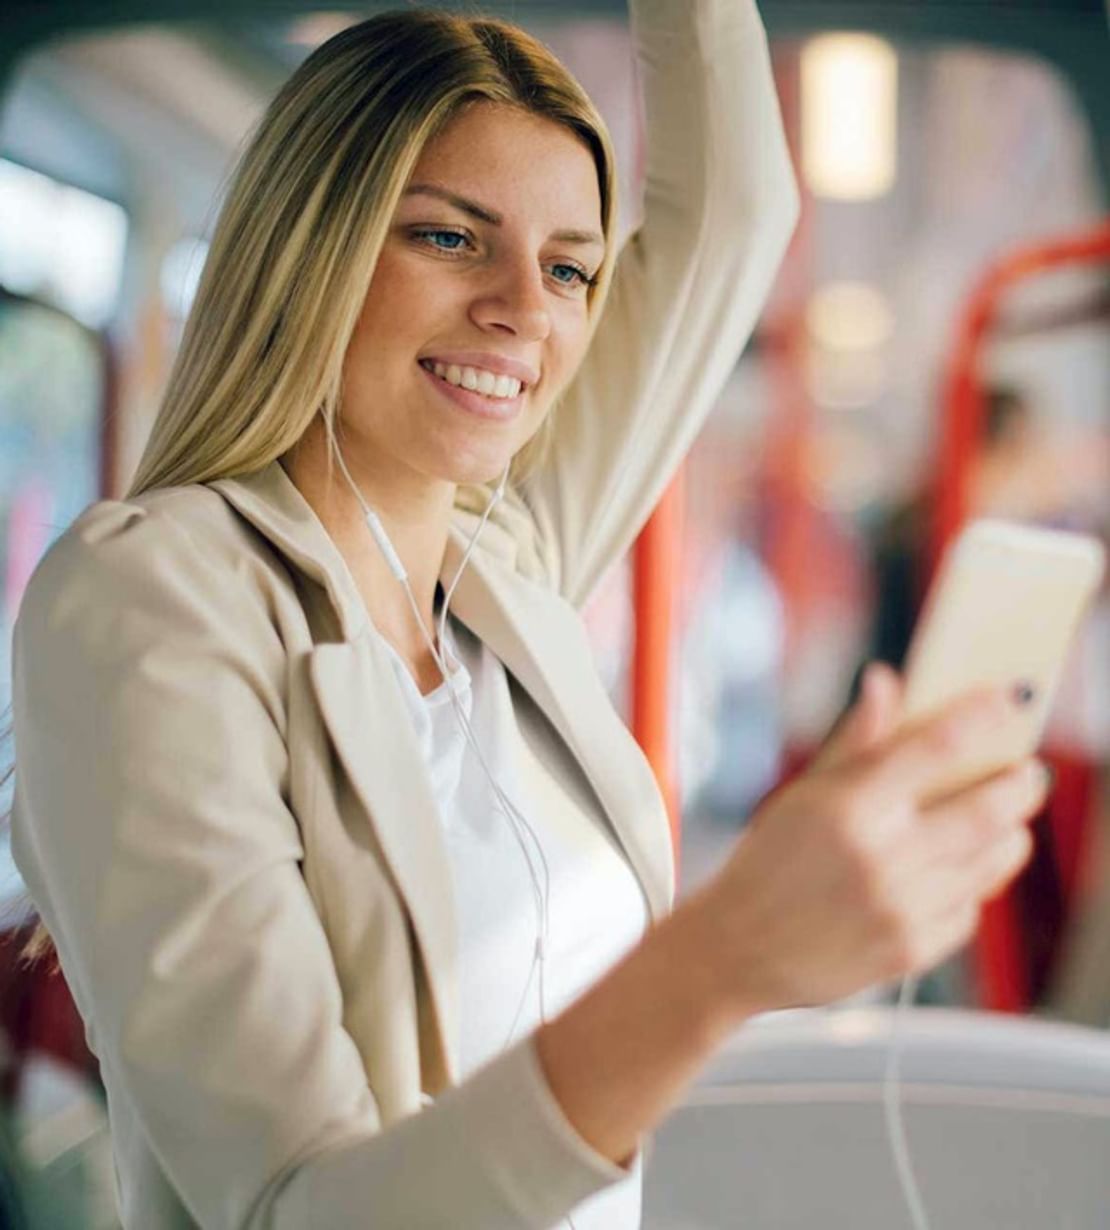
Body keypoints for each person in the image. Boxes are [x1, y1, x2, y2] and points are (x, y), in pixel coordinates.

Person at [7, 3, 1050, 1227]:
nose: (526, 311)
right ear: (308, 249)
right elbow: (296, 1207)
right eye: (452, 238)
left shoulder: (503, 569)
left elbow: (733, 211)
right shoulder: (152, 596)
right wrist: (719, 967)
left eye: (569, 267)